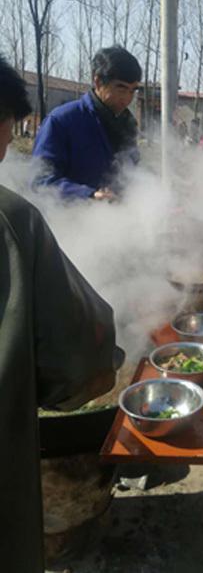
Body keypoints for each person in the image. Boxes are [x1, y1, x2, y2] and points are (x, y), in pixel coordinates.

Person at [0, 56, 124, 573]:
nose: (8, 144)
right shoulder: (12, 221)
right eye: (8, 130)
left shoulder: (121, 122)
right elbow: (77, 364)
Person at [32, 45, 142, 200]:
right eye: (121, 89)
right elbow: (40, 182)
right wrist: (89, 195)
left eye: (132, 91)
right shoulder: (62, 121)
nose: (127, 99)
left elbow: (132, 172)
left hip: (119, 218)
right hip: (71, 219)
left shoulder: (128, 125)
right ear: (97, 81)